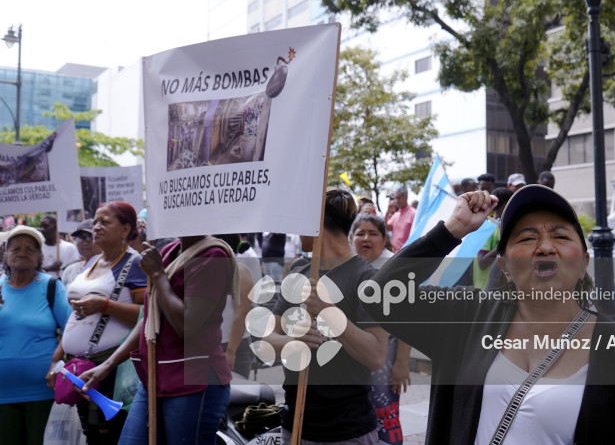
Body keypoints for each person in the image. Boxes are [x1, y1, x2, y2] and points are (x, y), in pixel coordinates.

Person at [362, 186, 615, 444]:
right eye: (528, 238)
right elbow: (381, 298)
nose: (545, 247)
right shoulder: (468, 317)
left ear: (583, 262)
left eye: (560, 236)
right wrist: (453, 230)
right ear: (504, 267)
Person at [80, 234, 237, 443]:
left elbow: (186, 326)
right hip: (155, 380)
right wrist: (109, 364)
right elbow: (149, 318)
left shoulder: (213, 257)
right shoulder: (167, 251)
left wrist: (157, 274)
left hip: (194, 383)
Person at [266, 188, 389, 444]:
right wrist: (292, 342)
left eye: (301, 221)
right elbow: (267, 340)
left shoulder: (367, 278)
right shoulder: (299, 271)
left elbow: (376, 356)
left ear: (316, 224)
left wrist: (327, 311)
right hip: (295, 425)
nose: (296, 230)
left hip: (348, 430)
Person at [60, 202, 146, 443]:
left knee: (108, 435)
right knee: (91, 434)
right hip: (79, 367)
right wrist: (58, 358)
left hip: (110, 370)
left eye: (105, 222)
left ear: (126, 229)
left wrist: (104, 305)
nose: (96, 227)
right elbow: (73, 315)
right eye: (95, 221)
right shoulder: (91, 262)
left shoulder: (135, 264)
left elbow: (146, 313)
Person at [0, 225, 71, 445]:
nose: (22, 252)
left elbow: (71, 330)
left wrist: (56, 361)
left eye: (30, 249)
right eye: (16, 248)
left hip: (42, 393)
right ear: (5, 254)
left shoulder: (51, 287)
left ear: (39, 257)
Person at [350, 213, 410, 445]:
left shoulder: (394, 268)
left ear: (384, 238)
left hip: (386, 356)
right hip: (355, 355)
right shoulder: (348, 266)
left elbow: (409, 320)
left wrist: (402, 363)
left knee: (385, 413)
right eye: (360, 233)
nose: (366, 238)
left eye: (373, 233)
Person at [215, 233, 256, 378]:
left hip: (234, 346)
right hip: (210, 345)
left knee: (236, 396)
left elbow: (242, 312)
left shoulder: (240, 271)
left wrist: (231, 351)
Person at [473, 187, 513, 290]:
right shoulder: (486, 229)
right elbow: (482, 263)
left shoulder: (505, 228)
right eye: (512, 203)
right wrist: (504, 244)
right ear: (505, 205)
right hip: (486, 292)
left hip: (501, 291)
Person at [60, 219, 103, 288]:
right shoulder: (70, 270)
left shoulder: (109, 269)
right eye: (80, 238)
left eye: (89, 237)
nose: (84, 242)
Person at [38, 214, 80, 278]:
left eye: (46, 226)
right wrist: (49, 268)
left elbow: (75, 271)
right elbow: (31, 271)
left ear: (56, 227)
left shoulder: (70, 248)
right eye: (40, 226)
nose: (42, 229)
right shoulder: (37, 248)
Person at [387, 187, 415, 252]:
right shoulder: (396, 215)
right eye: (395, 198)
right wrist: (388, 210)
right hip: (394, 254)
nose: (396, 201)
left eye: (398, 198)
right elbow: (387, 228)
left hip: (407, 254)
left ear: (406, 197)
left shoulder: (413, 214)